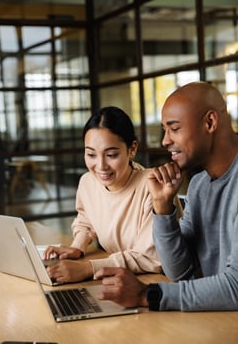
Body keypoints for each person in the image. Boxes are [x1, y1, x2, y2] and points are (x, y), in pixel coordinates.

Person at [94, 81, 238, 311]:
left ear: (210, 122)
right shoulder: (200, 184)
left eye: (174, 128)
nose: (165, 141)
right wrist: (162, 206)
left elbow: (236, 288)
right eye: (164, 130)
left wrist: (147, 295)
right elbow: (179, 270)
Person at [44, 106, 162, 283]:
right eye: (91, 154)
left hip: (156, 282)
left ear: (132, 149)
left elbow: (149, 257)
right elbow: (87, 219)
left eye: (111, 155)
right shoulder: (88, 182)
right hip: (121, 278)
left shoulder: (153, 186)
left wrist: (88, 268)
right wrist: (77, 246)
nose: (101, 166)